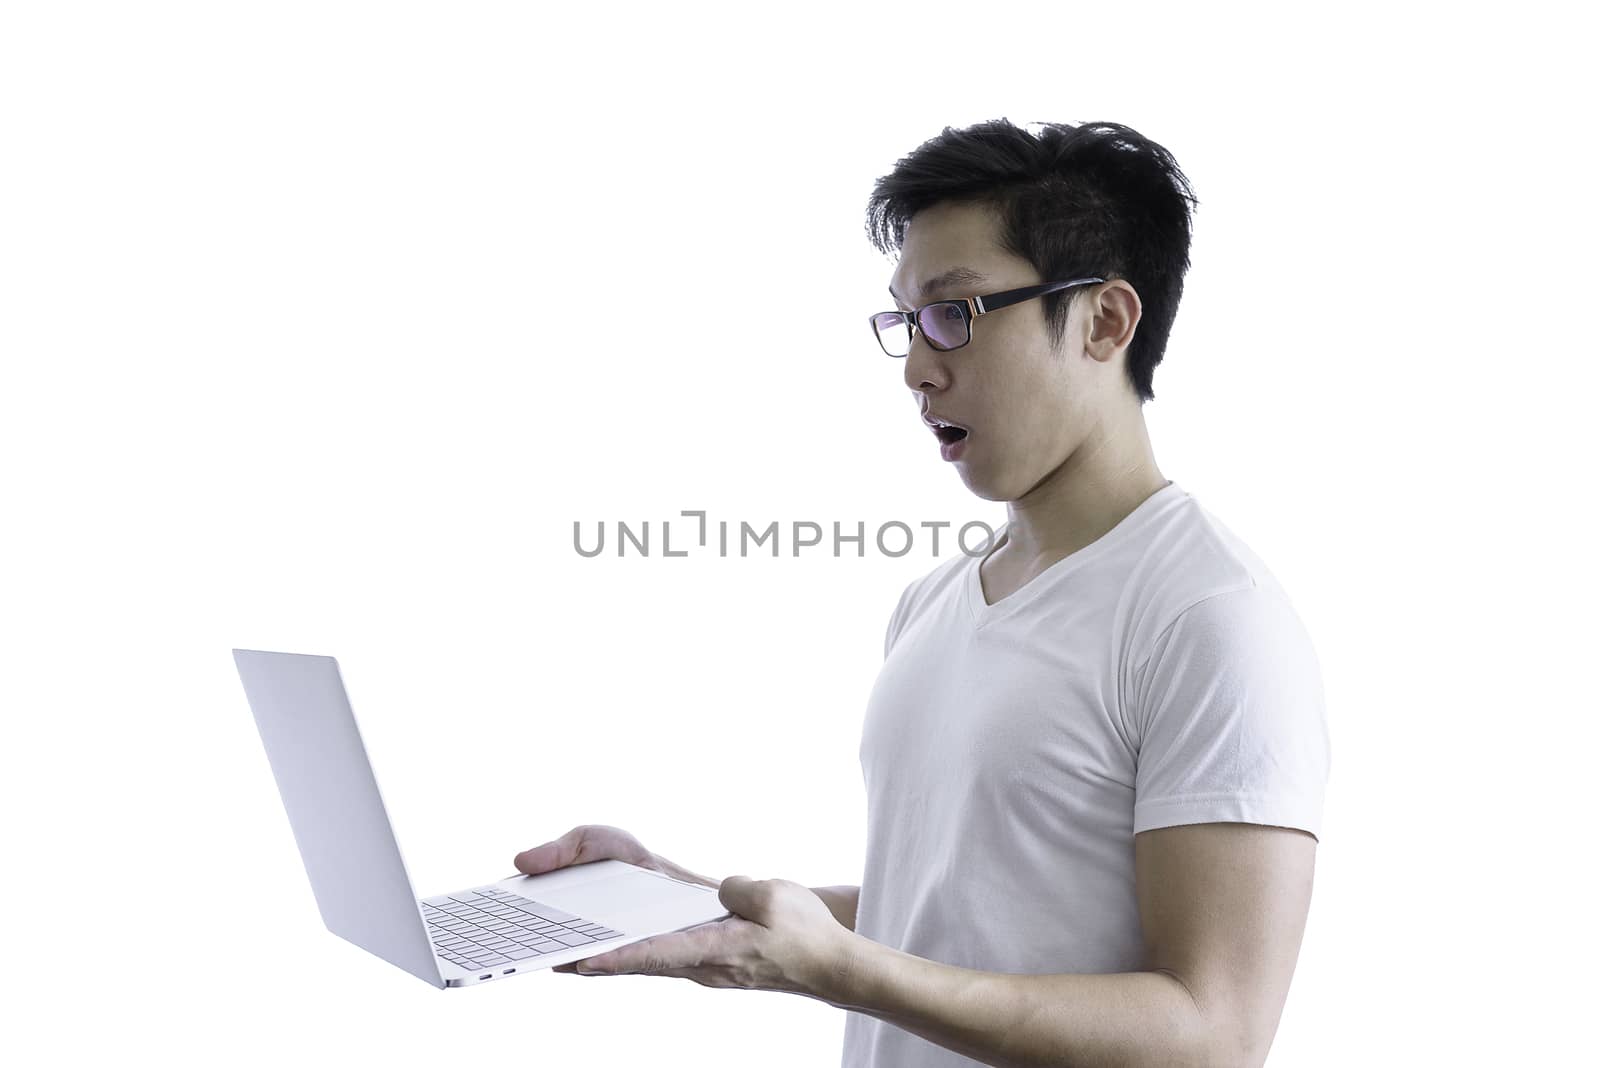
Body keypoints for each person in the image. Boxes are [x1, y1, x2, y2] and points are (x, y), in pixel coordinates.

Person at [514, 118, 1331, 1068]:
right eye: (906, 320)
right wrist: (678, 894)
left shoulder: (1208, 617)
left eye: (957, 313)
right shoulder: (935, 602)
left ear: (1107, 321)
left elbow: (1215, 1034)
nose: (916, 366)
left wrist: (844, 974)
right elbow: (950, 917)